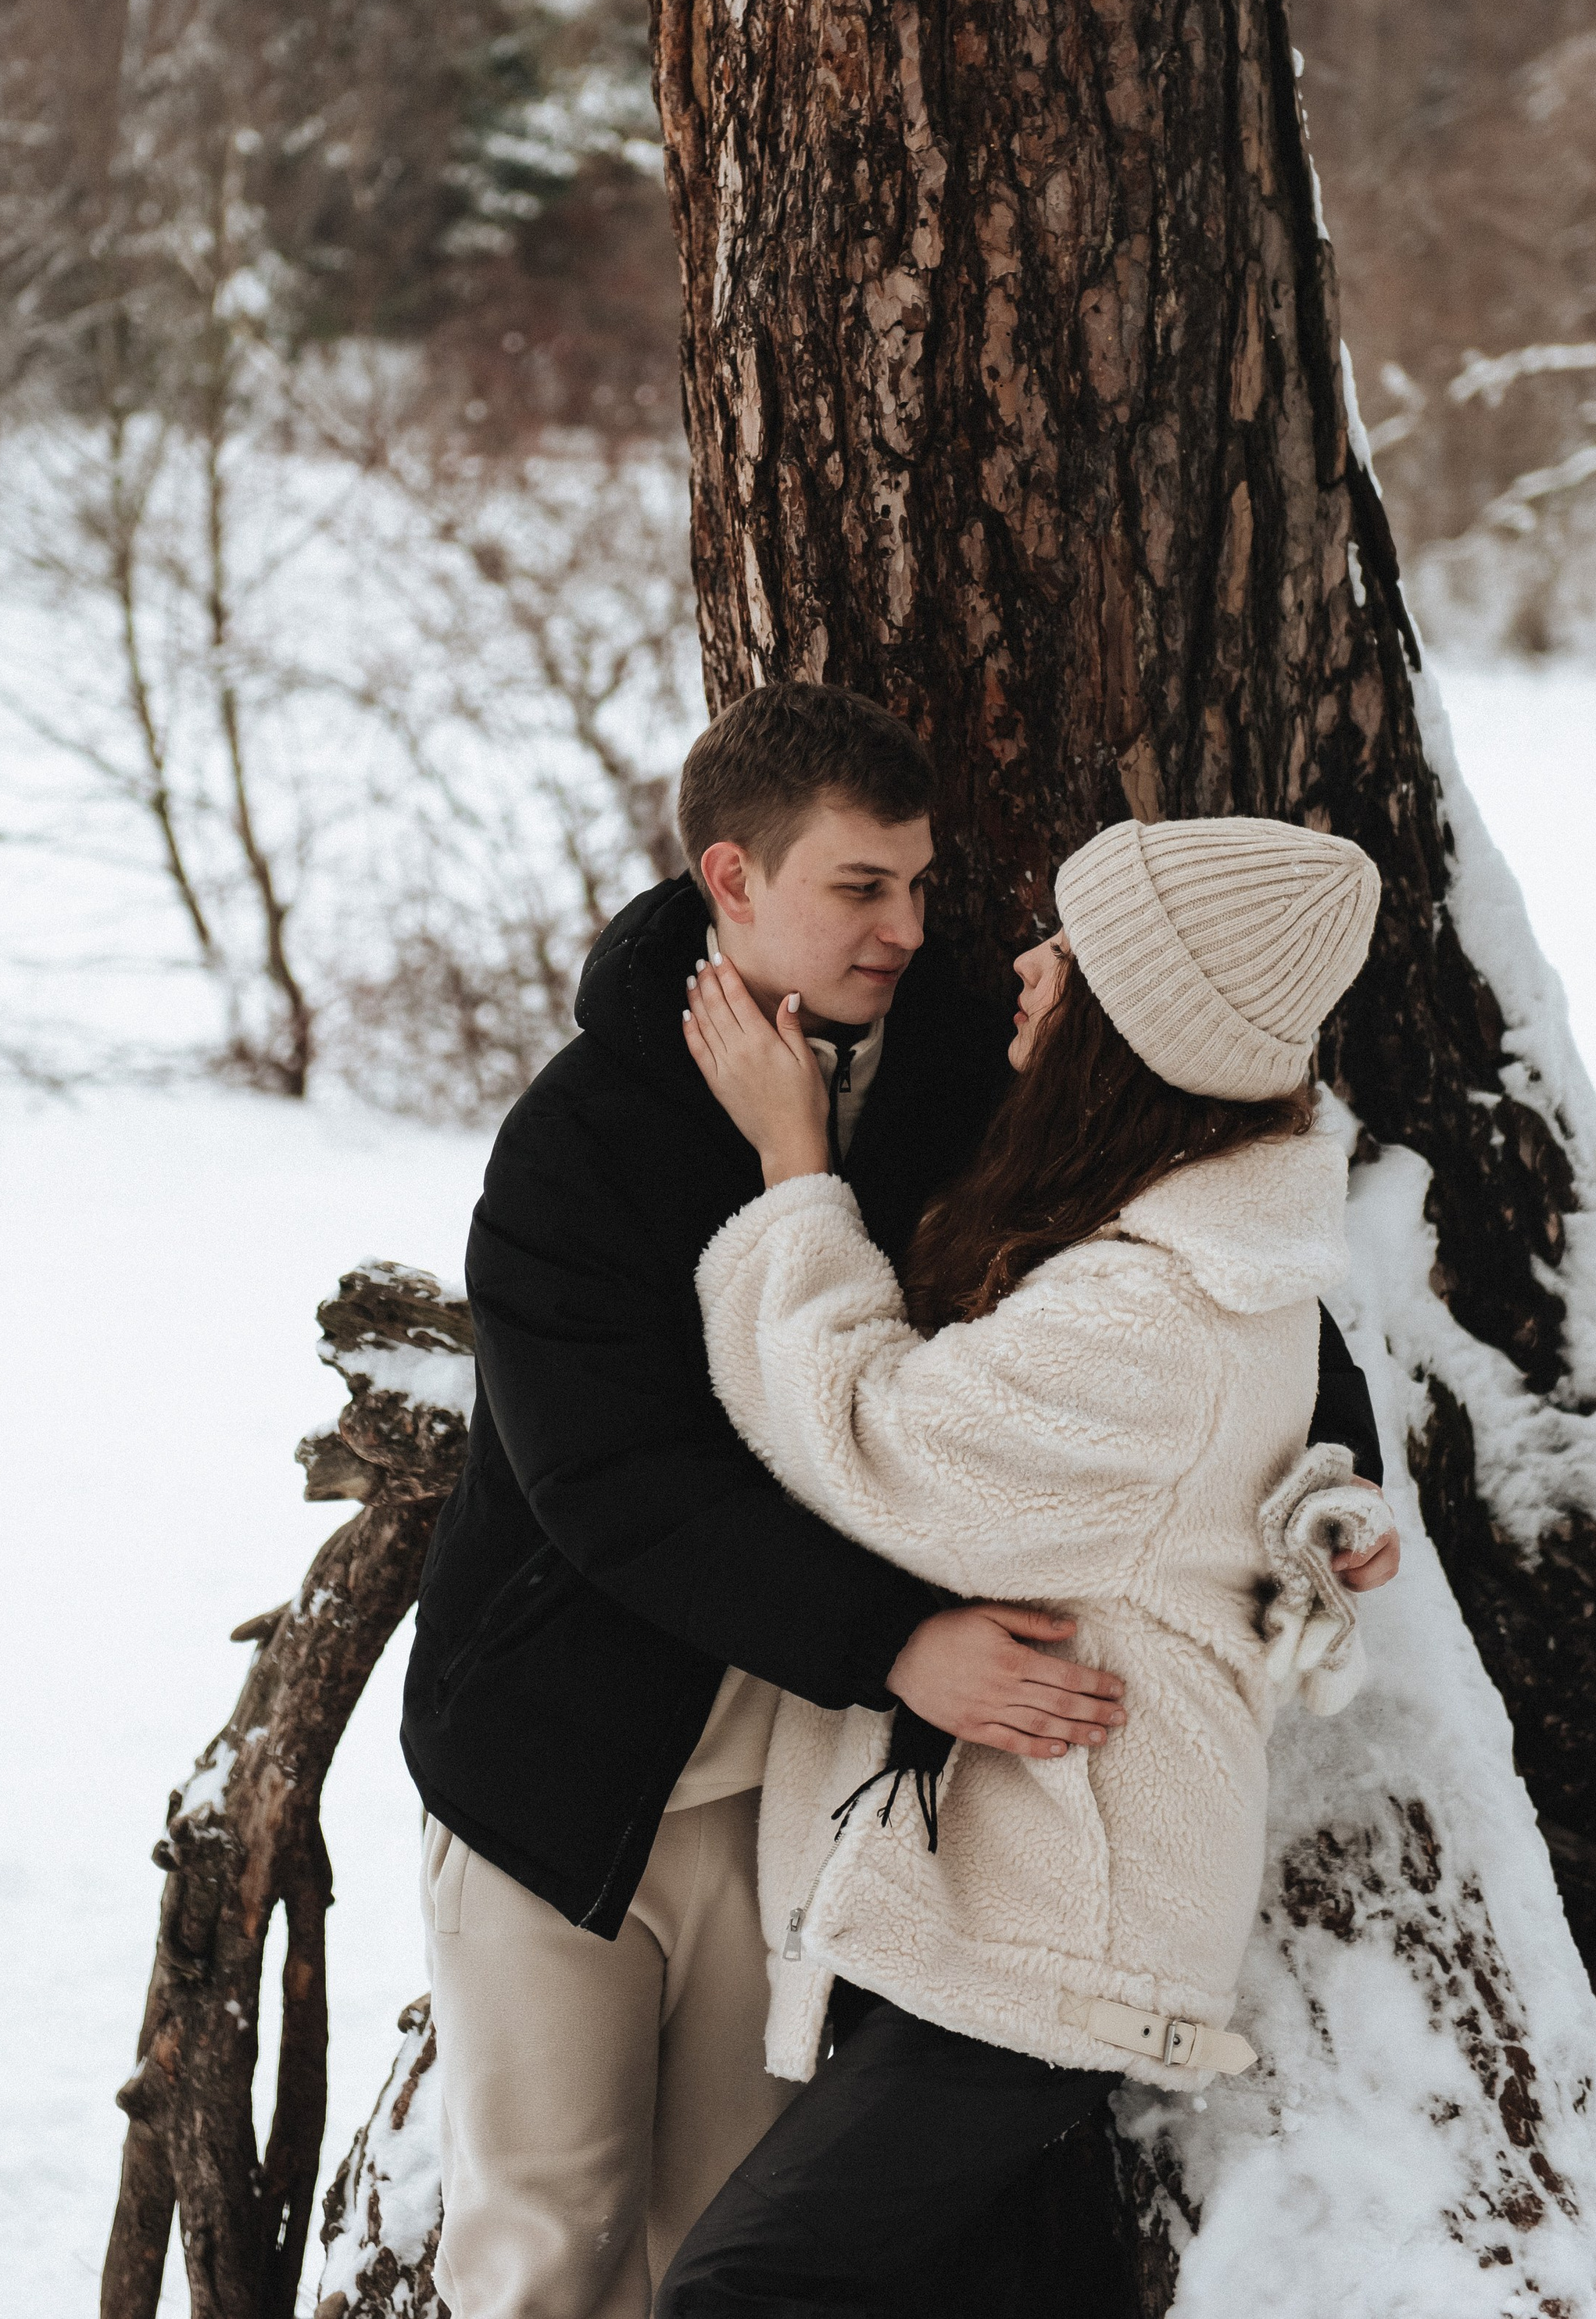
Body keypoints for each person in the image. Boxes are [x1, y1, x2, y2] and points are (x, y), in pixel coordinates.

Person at [400, 689, 1389, 2319]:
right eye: (859, 887)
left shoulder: (970, 1068)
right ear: (731, 876)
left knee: (727, 2243)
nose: (907, 927)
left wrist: (1321, 1462)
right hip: (559, 1772)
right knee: (544, 2245)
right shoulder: (584, 1139)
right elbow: (611, 1487)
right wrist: (896, 1642)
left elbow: (1196, 1259)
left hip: (779, 1782)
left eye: (920, 885)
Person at [659, 814, 1398, 2317]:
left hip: (1067, 1922)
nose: (1030, 963)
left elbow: (875, 1444)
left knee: (741, 2289)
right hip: (1043, 1880)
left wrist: (795, 1169)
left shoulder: (1151, 1314)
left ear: (1139, 1027)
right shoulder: (1196, 1243)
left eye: (1078, 950)